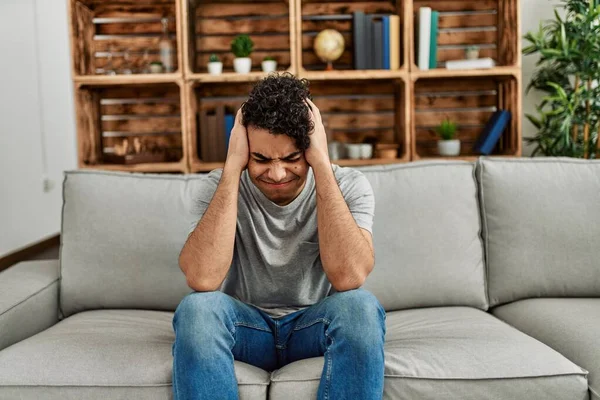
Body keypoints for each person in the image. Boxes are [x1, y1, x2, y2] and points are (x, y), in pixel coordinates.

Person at [172, 73, 386, 400]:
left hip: (314, 328)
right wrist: (232, 167)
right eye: (260, 159)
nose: (276, 174)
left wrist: (322, 165)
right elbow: (202, 278)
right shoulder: (217, 187)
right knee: (196, 310)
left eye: (291, 158)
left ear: (310, 148)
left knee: (360, 307)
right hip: (246, 330)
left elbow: (349, 276)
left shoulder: (349, 185)